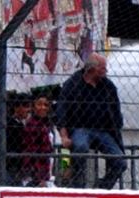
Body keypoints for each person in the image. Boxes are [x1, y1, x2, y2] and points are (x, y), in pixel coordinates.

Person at [54, 53, 123, 189]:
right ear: (92, 69)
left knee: (120, 162)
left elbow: (116, 112)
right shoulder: (73, 84)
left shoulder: (108, 86)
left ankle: (102, 188)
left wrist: (117, 131)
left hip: (103, 130)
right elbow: (61, 111)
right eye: (103, 68)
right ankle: (77, 185)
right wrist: (64, 135)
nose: (106, 71)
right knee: (80, 147)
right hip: (80, 128)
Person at [21, 93, 54, 187]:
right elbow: (34, 153)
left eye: (46, 105)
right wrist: (40, 178)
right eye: (39, 104)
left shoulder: (46, 123)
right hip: (36, 174)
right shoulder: (33, 124)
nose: (43, 107)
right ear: (33, 106)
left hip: (45, 171)